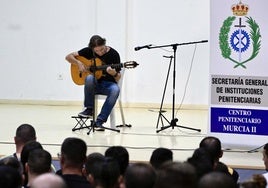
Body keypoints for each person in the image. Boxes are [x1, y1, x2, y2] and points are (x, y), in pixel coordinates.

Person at [66, 35, 121, 130]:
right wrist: (78, 63)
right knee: (89, 78)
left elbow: (118, 78)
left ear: (105, 44)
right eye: (97, 51)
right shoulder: (88, 51)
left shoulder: (114, 54)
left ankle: (99, 121)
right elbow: (68, 57)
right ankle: (89, 109)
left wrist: (114, 73)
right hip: (93, 85)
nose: (100, 52)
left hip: (107, 84)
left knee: (115, 89)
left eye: (102, 49)